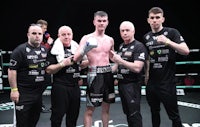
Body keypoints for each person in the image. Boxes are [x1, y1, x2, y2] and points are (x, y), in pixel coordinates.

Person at [143, 7, 190, 127]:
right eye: (152, 18)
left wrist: (167, 42)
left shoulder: (172, 32)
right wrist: (147, 74)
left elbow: (185, 51)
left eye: (157, 17)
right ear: (148, 20)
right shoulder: (146, 37)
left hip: (167, 83)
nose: (155, 20)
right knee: (154, 113)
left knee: (174, 116)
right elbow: (148, 58)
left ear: (162, 19)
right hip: (152, 84)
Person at [73, 11, 115, 127]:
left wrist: (118, 63)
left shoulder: (110, 39)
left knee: (106, 109)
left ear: (107, 22)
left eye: (104, 21)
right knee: (90, 110)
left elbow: (112, 57)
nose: (101, 23)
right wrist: (85, 49)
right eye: (99, 21)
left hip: (108, 74)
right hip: (94, 74)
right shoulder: (87, 38)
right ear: (94, 22)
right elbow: (76, 58)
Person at [8, 24, 49, 127]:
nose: (37, 36)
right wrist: (14, 90)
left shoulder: (45, 50)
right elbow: (12, 70)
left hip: (38, 93)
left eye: (40, 34)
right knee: (22, 123)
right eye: (34, 33)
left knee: (34, 121)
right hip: (23, 93)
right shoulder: (20, 50)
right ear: (28, 35)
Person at [45, 25, 85, 127]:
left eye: (69, 34)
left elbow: (80, 65)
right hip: (60, 86)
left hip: (75, 87)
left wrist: (90, 61)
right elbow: (48, 70)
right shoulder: (54, 49)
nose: (66, 37)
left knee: (73, 116)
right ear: (59, 36)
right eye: (63, 35)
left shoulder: (77, 48)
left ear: (72, 35)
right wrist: (62, 64)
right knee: (57, 116)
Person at [111, 21, 148, 127]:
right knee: (128, 113)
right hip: (122, 84)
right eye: (122, 31)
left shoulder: (139, 46)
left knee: (134, 114)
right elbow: (117, 65)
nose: (125, 33)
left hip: (132, 85)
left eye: (127, 30)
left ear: (133, 31)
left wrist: (120, 60)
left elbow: (137, 68)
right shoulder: (122, 46)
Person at [36, 19, 54, 113]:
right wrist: (48, 44)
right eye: (44, 28)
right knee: (39, 86)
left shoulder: (44, 37)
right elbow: (41, 51)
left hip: (45, 65)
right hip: (37, 65)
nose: (45, 30)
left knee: (45, 82)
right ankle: (37, 105)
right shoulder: (37, 38)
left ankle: (38, 104)